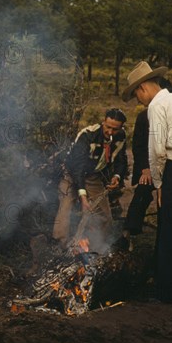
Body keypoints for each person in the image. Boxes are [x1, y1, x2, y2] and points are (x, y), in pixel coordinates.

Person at [122, 62, 172, 303]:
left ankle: (169, 292)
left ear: (143, 87)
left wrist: (158, 185)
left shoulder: (156, 107)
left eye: (136, 94)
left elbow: (157, 150)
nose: (138, 100)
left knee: (169, 231)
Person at [52, 108, 129, 252]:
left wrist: (116, 176)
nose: (110, 132)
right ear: (103, 122)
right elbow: (78, 167)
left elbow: (121, 160)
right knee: (66, 205)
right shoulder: (88, 135)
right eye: (108, 127)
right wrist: (83, 196)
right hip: (71, 173)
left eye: (115, 129)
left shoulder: (121, 137)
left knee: (104, 215)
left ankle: (95, 248)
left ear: (121, 128)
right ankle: (61, 247)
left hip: (93, 176)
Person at [122, 78, 172, 238]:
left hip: (168, 165)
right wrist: (146, 169)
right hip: (148, 165)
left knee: (166, 200)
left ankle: (164, 231)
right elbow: (139, 147)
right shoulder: (144, 116)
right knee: (142, 192)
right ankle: (130, 230)